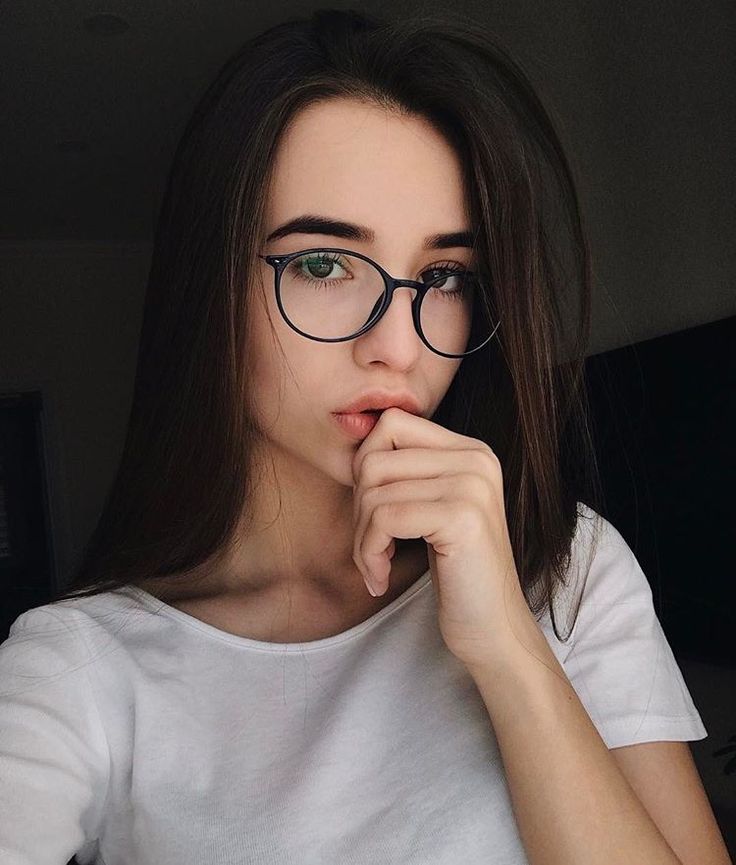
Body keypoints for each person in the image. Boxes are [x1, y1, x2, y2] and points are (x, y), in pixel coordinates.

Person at [0, 7, 730, 865]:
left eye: (444, 276)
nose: (399, 344)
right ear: (209, 287)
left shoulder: (567, 571)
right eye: (322, 263)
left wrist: (509, 649)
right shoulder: (84, 669)